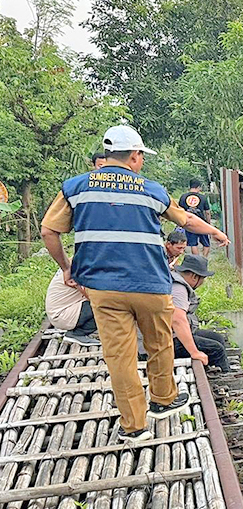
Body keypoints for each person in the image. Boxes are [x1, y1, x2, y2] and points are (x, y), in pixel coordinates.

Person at [41, 124, 229, 443]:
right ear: (135, 156)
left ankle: (134, 427)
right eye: (141, 156)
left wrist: (67, 268)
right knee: (159, 342)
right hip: (150, 284)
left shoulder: (76, 188)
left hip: (103, 288)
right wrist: (215, 232)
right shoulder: (151, 190)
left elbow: (49, 231)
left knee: (120, 356)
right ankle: (163, 399)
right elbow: (186, 220)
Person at [169, 254, 230, 372]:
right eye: (202, 279)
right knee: (216, 349)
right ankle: (225, 375)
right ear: (194, 276)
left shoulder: (176, 281)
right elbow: (177, 320)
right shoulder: (179, 289)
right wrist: (194, 352)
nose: (202, 282)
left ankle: (212, 368)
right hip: (168, 340)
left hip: (173, 334)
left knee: (217, 338)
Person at [45, 268, 98, 346]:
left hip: (63, 309)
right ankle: (78, 333)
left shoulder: (75, 264)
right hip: (61, 314)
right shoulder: (81, 268)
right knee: (104, 305)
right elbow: (91, 294)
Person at [178, 179, 212, 257]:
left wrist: (180, 223)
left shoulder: (183, 197)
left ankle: (197, 260)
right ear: (198, 187)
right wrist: (208, 223)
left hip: (189, 223)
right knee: (206, 244)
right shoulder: (203, 197)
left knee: (193, 244)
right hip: (202, 223)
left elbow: (179, 211)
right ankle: (204, 259)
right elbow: (207, 212)